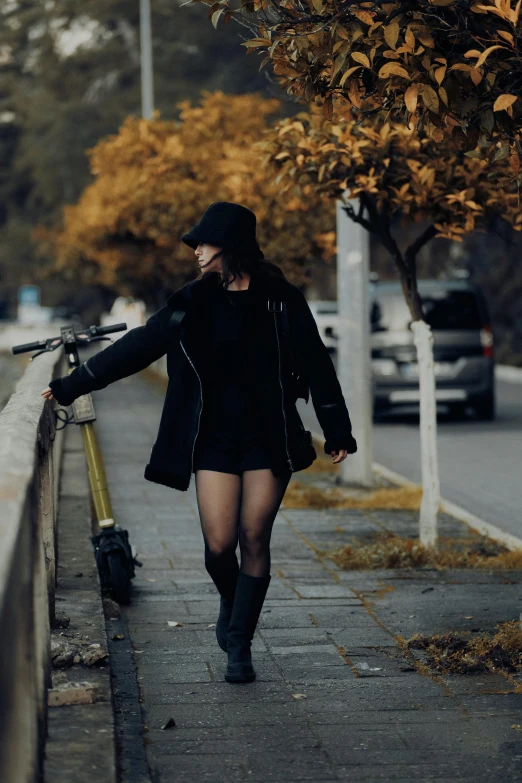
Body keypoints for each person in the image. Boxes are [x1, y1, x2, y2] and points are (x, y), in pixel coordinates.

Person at [41, 202, 357, 684]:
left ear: (230, 244)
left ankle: (239, 643)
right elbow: (136, 347)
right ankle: (234, 602)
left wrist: (336, 428)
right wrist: (71, 383)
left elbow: (316, 363)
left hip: (269, 436)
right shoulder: (192, 301)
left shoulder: (281, 298)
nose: (196, 251)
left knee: (255, 537)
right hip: (211, 438)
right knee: (218, 544)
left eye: (203, 243)